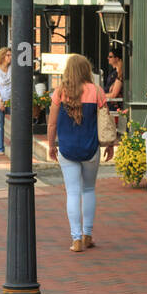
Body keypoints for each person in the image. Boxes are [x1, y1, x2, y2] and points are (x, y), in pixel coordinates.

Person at [47, 54, 113, 253]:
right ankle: (87, 235)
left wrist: (51, 145)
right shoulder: (97, 91)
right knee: (89, 190)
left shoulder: (60, 91)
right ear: (86, 70)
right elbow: (105, 121)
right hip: (91, 148)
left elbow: (51, 123)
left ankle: (76, 239)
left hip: (67, 149)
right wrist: (110, 144)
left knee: (73, 192)